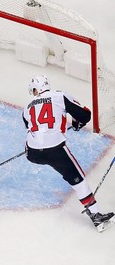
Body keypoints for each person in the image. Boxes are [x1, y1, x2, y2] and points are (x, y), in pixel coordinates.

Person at [22, 75, 114, 232]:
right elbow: (85, 115)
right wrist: (78, 123)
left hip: (32, 153)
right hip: (55, 150)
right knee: (79, 181)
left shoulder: (27, 107)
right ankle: (96, 216)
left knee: (42, 149)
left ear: (37, 89)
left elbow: (31, 127)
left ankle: (41, 154)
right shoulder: (59, 96)